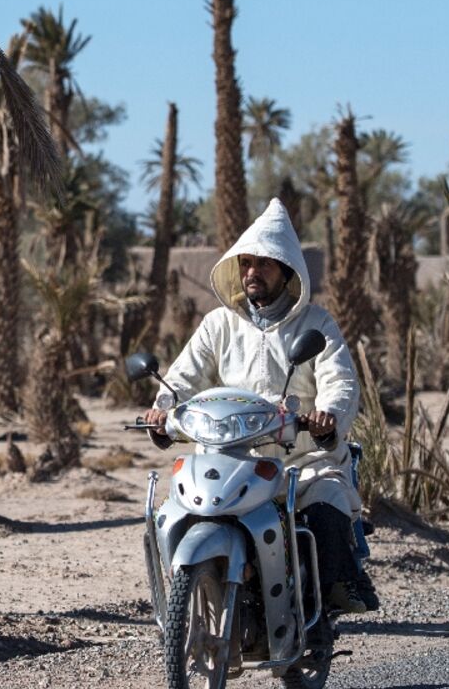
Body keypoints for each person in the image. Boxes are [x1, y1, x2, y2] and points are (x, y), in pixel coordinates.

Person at [143, 197, 379, 613]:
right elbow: (182, 378)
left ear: (286, 271)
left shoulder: (316, 324)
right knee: (175, 509)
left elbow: (339, 382)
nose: (252, 273)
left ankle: (334, 592)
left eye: (263, 264)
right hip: (233, 461)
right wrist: (162, 408)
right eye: (246, 264)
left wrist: (327, 417)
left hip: (301, 462)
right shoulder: (219, 323)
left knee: (325, 503)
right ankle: (189, 594)